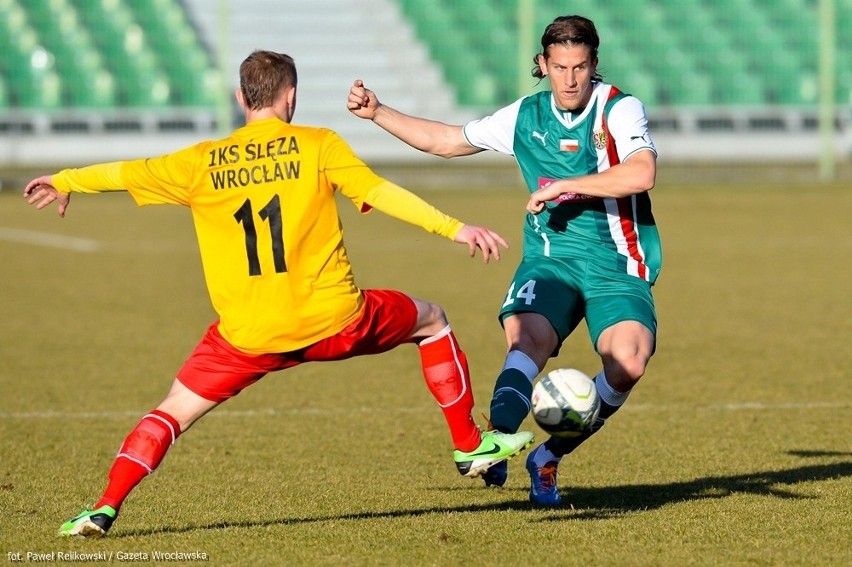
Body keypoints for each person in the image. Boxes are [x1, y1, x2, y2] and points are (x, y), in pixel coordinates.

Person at [24, 50, 534, 538]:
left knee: (171, 410)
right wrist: (454, 228)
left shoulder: (200, 161)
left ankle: (106, 504)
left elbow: (124, 172)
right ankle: (469, 445)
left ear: (241, 99)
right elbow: (378, 191)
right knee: (432, 319)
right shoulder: (317, 145)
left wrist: (67, 180)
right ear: (290, 96)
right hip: (336, 320)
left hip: (248, 337)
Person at [348, 15, 661, 506]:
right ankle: (494, 444)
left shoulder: (618, 110)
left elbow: (642, 173)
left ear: (594, 64)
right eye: (559, 67)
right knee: (528, 339)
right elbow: (448, 141)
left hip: (615, 261)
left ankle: (549, 456)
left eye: (580, 66)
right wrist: (379, 111)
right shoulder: (525, 115)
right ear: (543, 64)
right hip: (550, 258)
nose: (571, 79)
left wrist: (566, 185)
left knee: (629, 363)